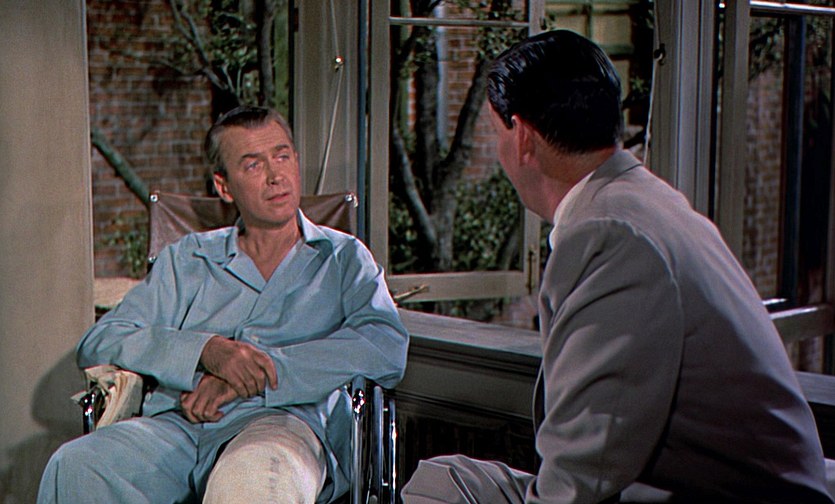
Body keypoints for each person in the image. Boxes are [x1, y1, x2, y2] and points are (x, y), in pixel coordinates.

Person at [401, 30, 834, 504]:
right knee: (446, 480)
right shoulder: (644, 201)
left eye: (495, 131)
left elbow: (583, 471)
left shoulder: (610, 236)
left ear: (522, 136)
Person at [38, 106, 409, 504]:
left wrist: (260, 372)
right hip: (179, 425)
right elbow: (102, 340)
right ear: (224, 186)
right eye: (253, 165)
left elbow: (385, 345)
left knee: (249, 482)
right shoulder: (189, 258)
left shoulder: (344, 258)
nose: (276, 176)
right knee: (77, 465)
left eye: (283, 156)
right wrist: (207, 352)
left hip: (280, 422)